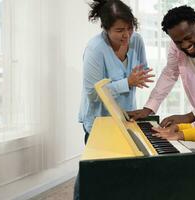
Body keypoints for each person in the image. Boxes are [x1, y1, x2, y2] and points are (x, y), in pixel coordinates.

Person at [75, 0, 154, 199]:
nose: (126, 35)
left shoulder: (136, 41)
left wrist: (139, 75)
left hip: (124, 116)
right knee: (94, 170)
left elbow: (141, 68)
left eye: (129, 28)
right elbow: (93, 93)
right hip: (99, 120)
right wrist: (126, 82)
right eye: (119, 30)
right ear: (106, 29)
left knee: (121, 170)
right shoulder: (95, 49)